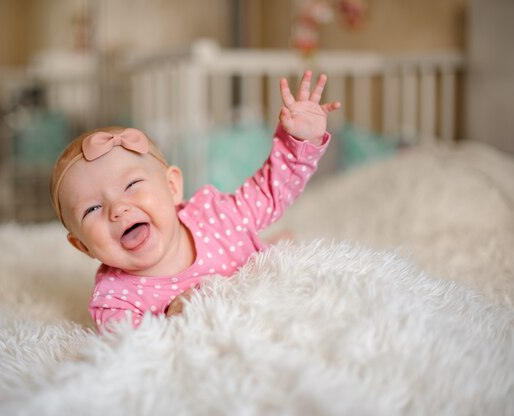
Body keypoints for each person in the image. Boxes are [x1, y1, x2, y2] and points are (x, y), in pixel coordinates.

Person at [50, 70, 341, 332]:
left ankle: (270, 245)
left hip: (255, 288)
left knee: (275, 258)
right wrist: (171, 318)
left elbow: (270, 190)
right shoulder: (116, 300)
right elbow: (135, 353)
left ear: (172, 186)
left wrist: (299, 141)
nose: (118, 209)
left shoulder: (216, 217)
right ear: (82, 245)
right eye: (93, 208)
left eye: (132, 184)